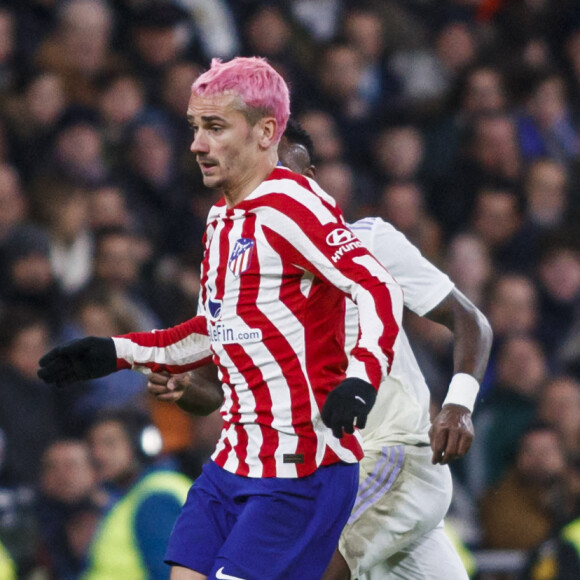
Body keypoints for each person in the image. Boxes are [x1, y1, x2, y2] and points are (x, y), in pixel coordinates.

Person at [37, 57, 405, 580]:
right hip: (232, 462)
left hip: (300, 469)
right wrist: (115, 351)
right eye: (194, 127)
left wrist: (363, 377)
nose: (197, 144)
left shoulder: (292, 204)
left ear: (265, 132)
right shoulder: (223, 219)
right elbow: (213, 329)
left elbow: (377, 286)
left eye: (214, 128)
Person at [148, 119, 493, 580]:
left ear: (310, 181)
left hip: (389, 457)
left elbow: (470, 320)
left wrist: (458, 404)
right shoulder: (230, 281)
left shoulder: (367, 241)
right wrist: (184, 384)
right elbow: (214, 394)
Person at [81, 408, 192, 580]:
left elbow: (169, 575)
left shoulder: (155, 499)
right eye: (93, 445)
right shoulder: (135, 494)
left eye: (109, 443)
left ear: (141, 444)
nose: (97, 454)